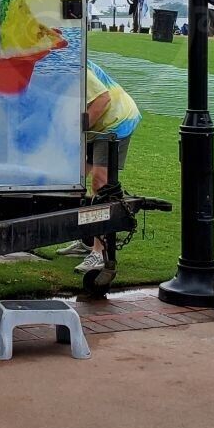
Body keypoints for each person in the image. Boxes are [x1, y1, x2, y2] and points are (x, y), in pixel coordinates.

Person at [76, 59, 142, 274]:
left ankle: (99, 252)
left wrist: (78, 132)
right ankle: (85, 240)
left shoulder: (77, 67)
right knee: (74, 178)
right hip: (95, 127)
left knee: (100, 184)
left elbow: (102, 99)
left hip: (115, 122)